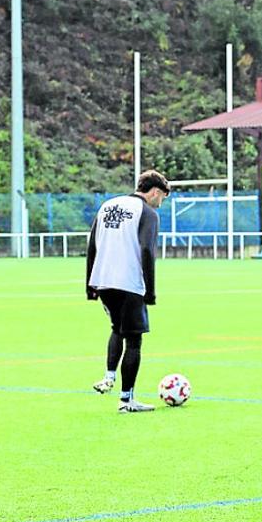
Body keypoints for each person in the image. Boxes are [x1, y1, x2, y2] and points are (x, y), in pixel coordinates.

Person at [86, 169, 169, 413]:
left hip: (103, 281)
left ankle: (109, 377)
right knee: (134, 339)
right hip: (129, 282)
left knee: (117, 329)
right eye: (162, 197)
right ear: (155, 192)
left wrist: (89, 284)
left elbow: (92, 245)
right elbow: (146, 251)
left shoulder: (107, 206)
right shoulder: (147, 212)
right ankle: (126, 401)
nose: (160, 203)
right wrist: (150, 291)